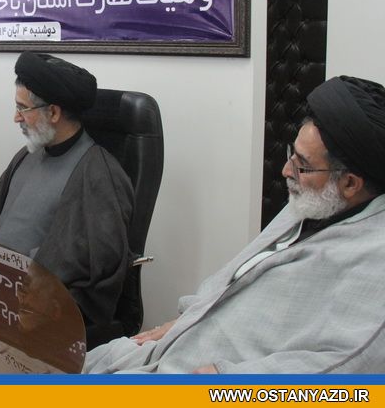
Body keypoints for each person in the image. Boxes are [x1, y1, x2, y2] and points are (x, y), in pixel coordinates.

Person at [86, 75, 385, 374]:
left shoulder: (374, 262)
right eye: (291, 155)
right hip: (174, 345)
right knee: (67, 364)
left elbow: (346, 367)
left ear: (350, 183)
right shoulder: (313, 203)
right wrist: (185, 319)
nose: (286, 170)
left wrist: (227, 378)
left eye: (302, 165)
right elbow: (237, 276)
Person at [0, 52, 134, 330]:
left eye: (23, 108)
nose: (15, 117)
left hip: (37, 310)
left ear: (53, 113)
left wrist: (22, 290)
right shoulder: (28, 154)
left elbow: (94, 270)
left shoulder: (99, 174)